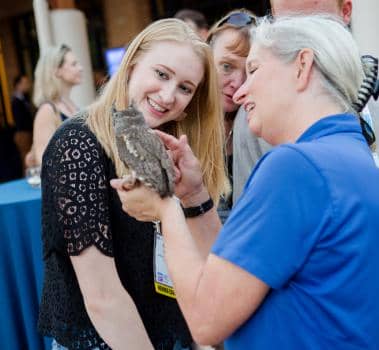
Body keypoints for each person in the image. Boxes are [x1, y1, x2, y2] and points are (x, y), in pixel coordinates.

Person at [112, 15, 379, 349]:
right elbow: (231, 279)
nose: (240, 92)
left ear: (302, 65)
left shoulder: (295, 168)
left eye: (253, 70)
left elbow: (206, 320)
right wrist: (195, 196)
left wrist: (166, 209)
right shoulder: (350, 154)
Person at [38, 18, 228, 350]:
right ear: (132, 65)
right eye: (162, 74)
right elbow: (103, 298)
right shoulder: (78, 144)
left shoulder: (173, 146)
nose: (169, 95)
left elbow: (211, 268)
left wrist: (194, 196)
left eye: (185, 87)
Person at [232, 0, 377, 204]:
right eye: (286, 24)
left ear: (345, 11)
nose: (300, 36)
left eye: (313, 21)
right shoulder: (254, 118)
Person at [206, 9, 257, 221]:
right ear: (206, 60)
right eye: (226, 66)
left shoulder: (262, 132)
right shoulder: (179, 124)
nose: (238, 82)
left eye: (250, 70)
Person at [27, 44, 82, 167]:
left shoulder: (73, 106)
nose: (80, 68)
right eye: (74, 64)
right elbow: (44, 161)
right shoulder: (47, 110)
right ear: (57, 71)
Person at [11, 74, 35, 172]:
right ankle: (29, 179)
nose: (27, 85)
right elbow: (21, 120)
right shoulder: (16, 100)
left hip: (27, 132)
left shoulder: (24, 98)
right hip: (23, 133)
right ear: (18, 85)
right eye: (24, 83)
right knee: (27, 159)